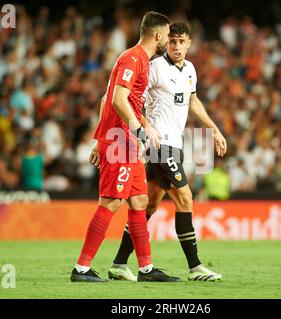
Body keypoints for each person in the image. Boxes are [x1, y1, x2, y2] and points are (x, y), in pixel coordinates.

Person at [93, 22, 227, 281]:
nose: (176, 46)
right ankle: (195, 267)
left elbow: (192, 100)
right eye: (172, 41)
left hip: (174, 145)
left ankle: (120, 263)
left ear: (189, 43)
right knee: (185, 199)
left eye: (181, 41)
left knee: (148, 205)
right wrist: (146, 127)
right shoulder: (154, 67)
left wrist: (213, 128)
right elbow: (127, 99)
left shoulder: (190, 69)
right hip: (159, 145)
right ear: (166, 42)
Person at [71, 11, 180, 283]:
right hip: (121, 140)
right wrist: (139, 130)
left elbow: (107, 98)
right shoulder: (134, 59)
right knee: (110, 202)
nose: (167, 42)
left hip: (125, 140)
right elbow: (118, 100)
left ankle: (146, 269)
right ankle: (81, 268)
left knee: (139, 201)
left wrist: (101, 140)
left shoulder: (136, 59)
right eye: (167, 37)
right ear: (157, 35)